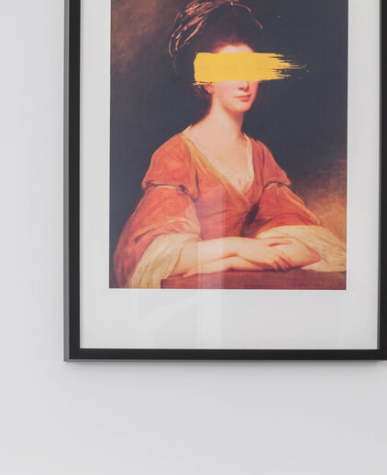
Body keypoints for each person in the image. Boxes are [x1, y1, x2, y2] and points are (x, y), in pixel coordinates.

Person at [112, 0, 347, 289]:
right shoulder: (176, 154)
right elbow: (155, 256)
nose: (244, 83)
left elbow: (309, 247)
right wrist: (237, 249)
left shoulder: (259, 156)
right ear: (207, 81)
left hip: (236, 287)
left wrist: (229, 261)